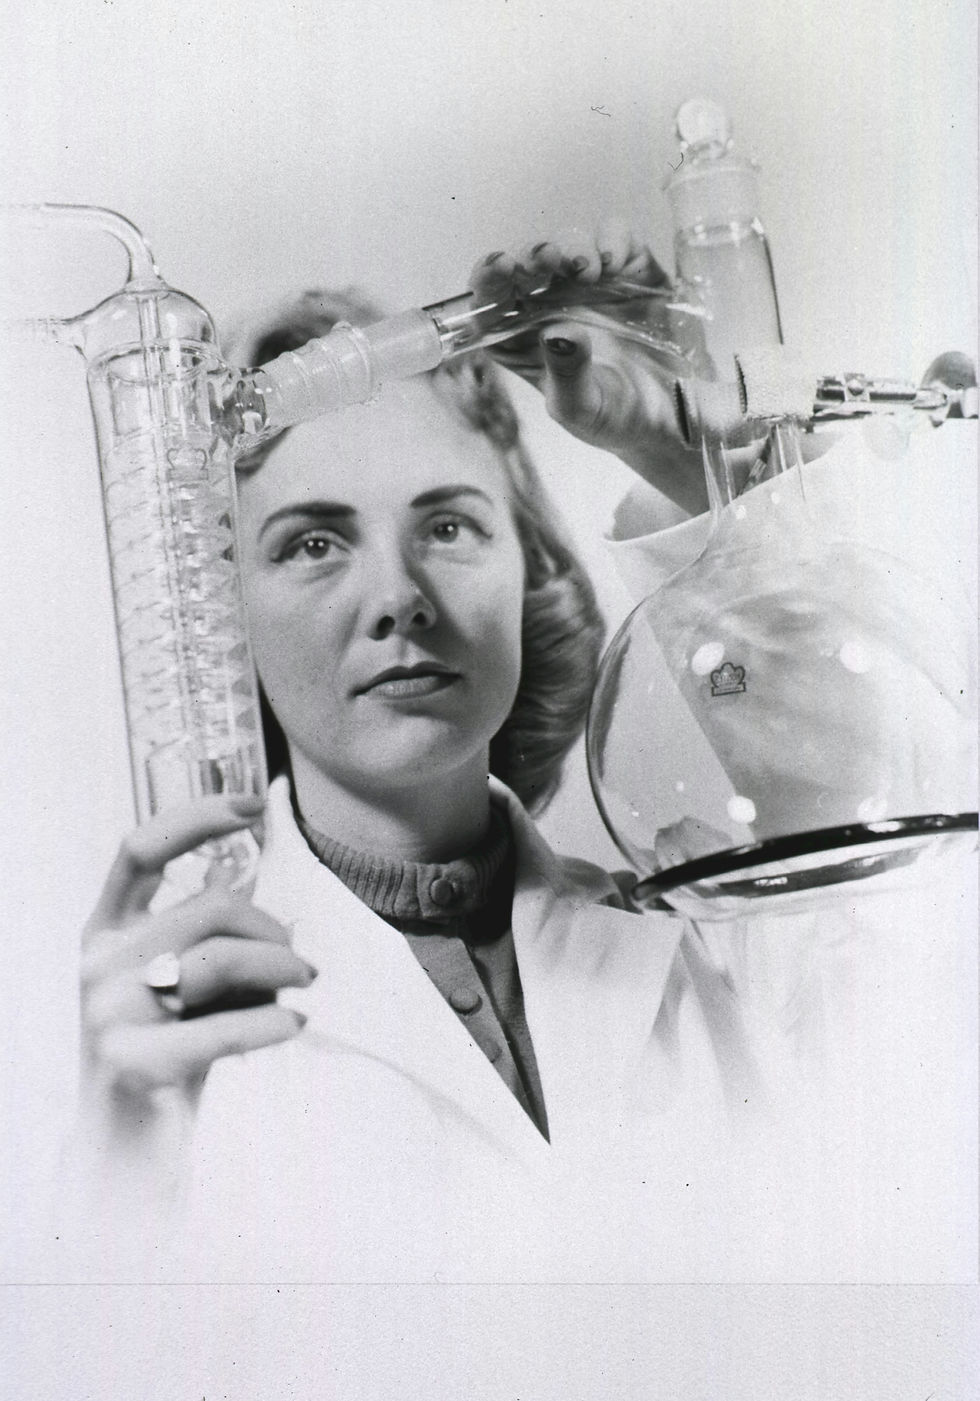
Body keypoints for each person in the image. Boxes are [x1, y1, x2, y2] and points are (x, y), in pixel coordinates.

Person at [71, 229, 975, 1283]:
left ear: (526, 564)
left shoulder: (711, 936)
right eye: (313, 543)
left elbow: (894, 866)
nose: (398, 597)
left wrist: (692, 460)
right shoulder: (153, 1030)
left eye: (447, 527)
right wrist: (115, 1163)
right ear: (220, 619)